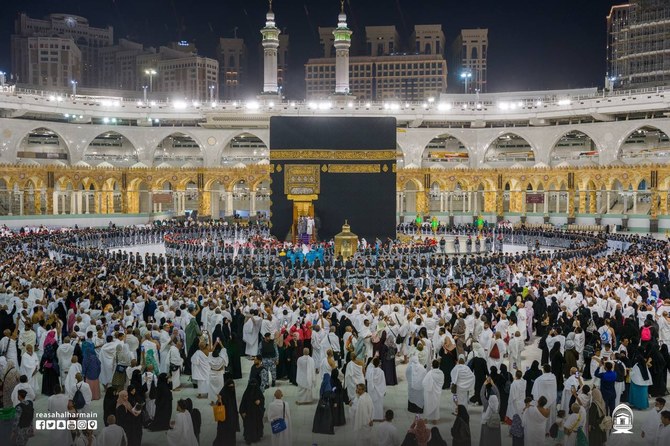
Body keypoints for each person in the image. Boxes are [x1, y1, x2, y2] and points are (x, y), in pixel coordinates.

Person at [531, 364, 557, 432]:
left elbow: (535, 392)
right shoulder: (553, 377)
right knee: (551, 416)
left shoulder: (538, 379)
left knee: (542, 416)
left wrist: (537, 399)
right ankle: (550, 430)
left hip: (542, 401)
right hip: (552, 400)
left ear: (544, 370)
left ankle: (544, 431)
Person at [213, 379, 239, 446]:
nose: (232, 388)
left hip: (231, 419)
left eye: (232, 387)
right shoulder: (223, 394)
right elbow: (218, 406)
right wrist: (219, 400)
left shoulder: (232, 393)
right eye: (230, 387)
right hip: (224, 420)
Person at [239, 379, 265, 444]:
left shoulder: (258, 392)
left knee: (256, 425)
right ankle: (248, 438)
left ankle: (256, 437)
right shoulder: (246, 393)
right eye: (251, 385)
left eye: (254, 385)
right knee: (248, 426)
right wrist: (242, 412)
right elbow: (243, 403)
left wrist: (259, 401)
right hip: (248, 413)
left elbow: (262, 399)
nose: (253, 386)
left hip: (256, 413)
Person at [422, 359, 445, 424]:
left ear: (432, 365)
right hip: (437, 392)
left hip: (429, 393)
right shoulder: (441, 373)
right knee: (436, 405)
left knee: (427, 405)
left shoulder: (430, 373)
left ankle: (426, 419)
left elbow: (424, 383)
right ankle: (435, 420)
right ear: (438, 365)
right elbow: (442, 382)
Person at [480, 379, 501, 446]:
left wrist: (484, 384)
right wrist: (493, 384)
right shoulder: (497, 406)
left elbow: (482, 395)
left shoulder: (486, 404)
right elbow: (498, 395)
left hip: (487, 424)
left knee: (486, 440)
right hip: (496, 424)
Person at [365, 357, 387, 421]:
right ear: (379, 364)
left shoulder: (370, 371)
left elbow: (367, 378)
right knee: (379, 404)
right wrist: (384, 390)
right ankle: (379, 417)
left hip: (372, 390)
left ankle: (372, 417)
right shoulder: (381, 372)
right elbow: (383, 381)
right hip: (379, 391)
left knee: (372, 404)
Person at [40, 330, 60, 396]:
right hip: (53, 362)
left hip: (46, 362)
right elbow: (57, 350)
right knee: (54, 377)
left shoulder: (46, 341)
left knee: (47, 377)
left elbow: (44, 352)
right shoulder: (54, 341)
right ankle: (55, 390)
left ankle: (46, 391)